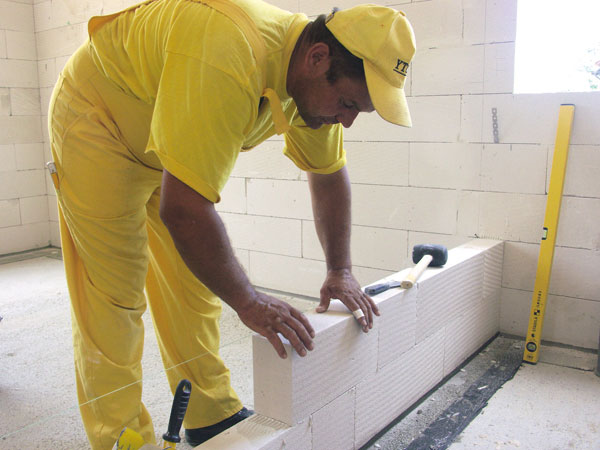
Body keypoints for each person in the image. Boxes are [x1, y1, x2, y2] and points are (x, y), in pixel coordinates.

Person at [47, 0, 415, 447]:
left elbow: (328, 175)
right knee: (114, 296)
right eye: (348, 104)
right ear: (318, 58)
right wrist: (249, 300)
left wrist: (340, 269)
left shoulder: (310, 85)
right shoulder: (228, 51)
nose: (347, 121)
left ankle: (210, 412)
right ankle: (122, 438)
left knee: (193, 288)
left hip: (162, 139)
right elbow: (184, 210)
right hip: (98, 122)